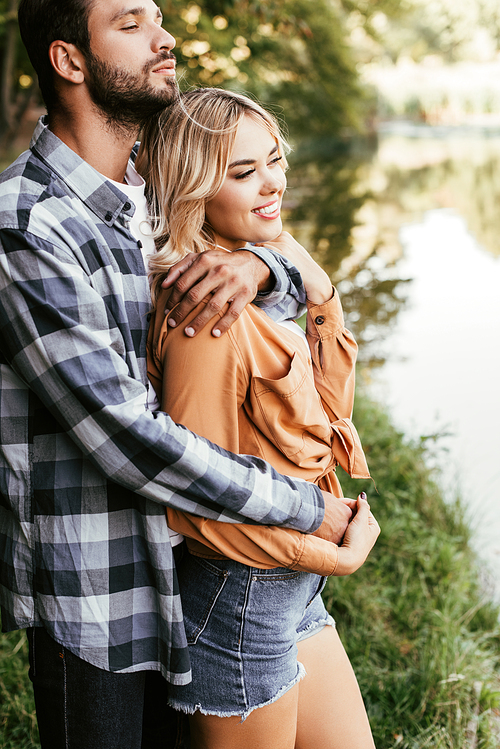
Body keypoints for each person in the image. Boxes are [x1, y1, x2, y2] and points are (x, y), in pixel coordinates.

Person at [0, 2, 358, 748]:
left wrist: (264, 263)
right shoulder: (27, 227)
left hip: (200, 568)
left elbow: (259, 243)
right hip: (99, 595)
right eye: (130, 24)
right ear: (69, 61)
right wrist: (313, 511)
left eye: (159, 18)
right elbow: (130, 438)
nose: (165, 38)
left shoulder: (147, 198)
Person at [141, 88, 380, 749]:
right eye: (243, 173)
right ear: (192, 187)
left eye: (273, 160)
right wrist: (331, 550)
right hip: (240, 598)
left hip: (290, 593)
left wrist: (314, 283)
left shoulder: (260, 273)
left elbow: (332, 414)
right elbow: (197, 500)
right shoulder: (206, 315)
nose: (272, 183)